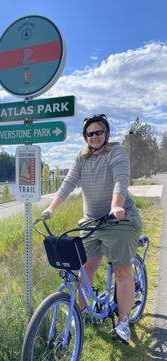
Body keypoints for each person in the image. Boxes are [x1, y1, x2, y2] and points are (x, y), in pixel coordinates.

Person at [42, 114, 142, 345]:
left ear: (106, 134)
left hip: (119, 220)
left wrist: (116, 204)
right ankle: (79, 312)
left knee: (121, 271)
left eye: (98, 132)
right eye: (90, 133)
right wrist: (51, 208)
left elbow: (121, 179)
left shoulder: (116, 152)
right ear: (85, 137)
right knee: (84, 268)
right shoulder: (82, 157)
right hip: (91, 221)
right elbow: (68, 183)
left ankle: (124, 322)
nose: (94, 136)